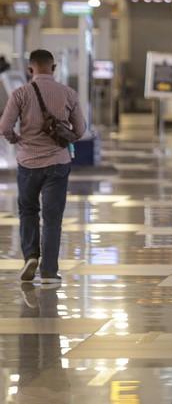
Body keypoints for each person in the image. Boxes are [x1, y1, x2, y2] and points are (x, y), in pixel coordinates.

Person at [0, 50, 86, 285]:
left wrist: (16, 139)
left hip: (28, 162)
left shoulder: (20, 93)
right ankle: (49, 271)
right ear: (54, 68)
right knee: (52, 218)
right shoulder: (68, 93)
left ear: (30, 69)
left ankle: (30, 256)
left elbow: (5, 126)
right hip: (58, 163)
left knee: (28, 211)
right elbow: (80, 130)